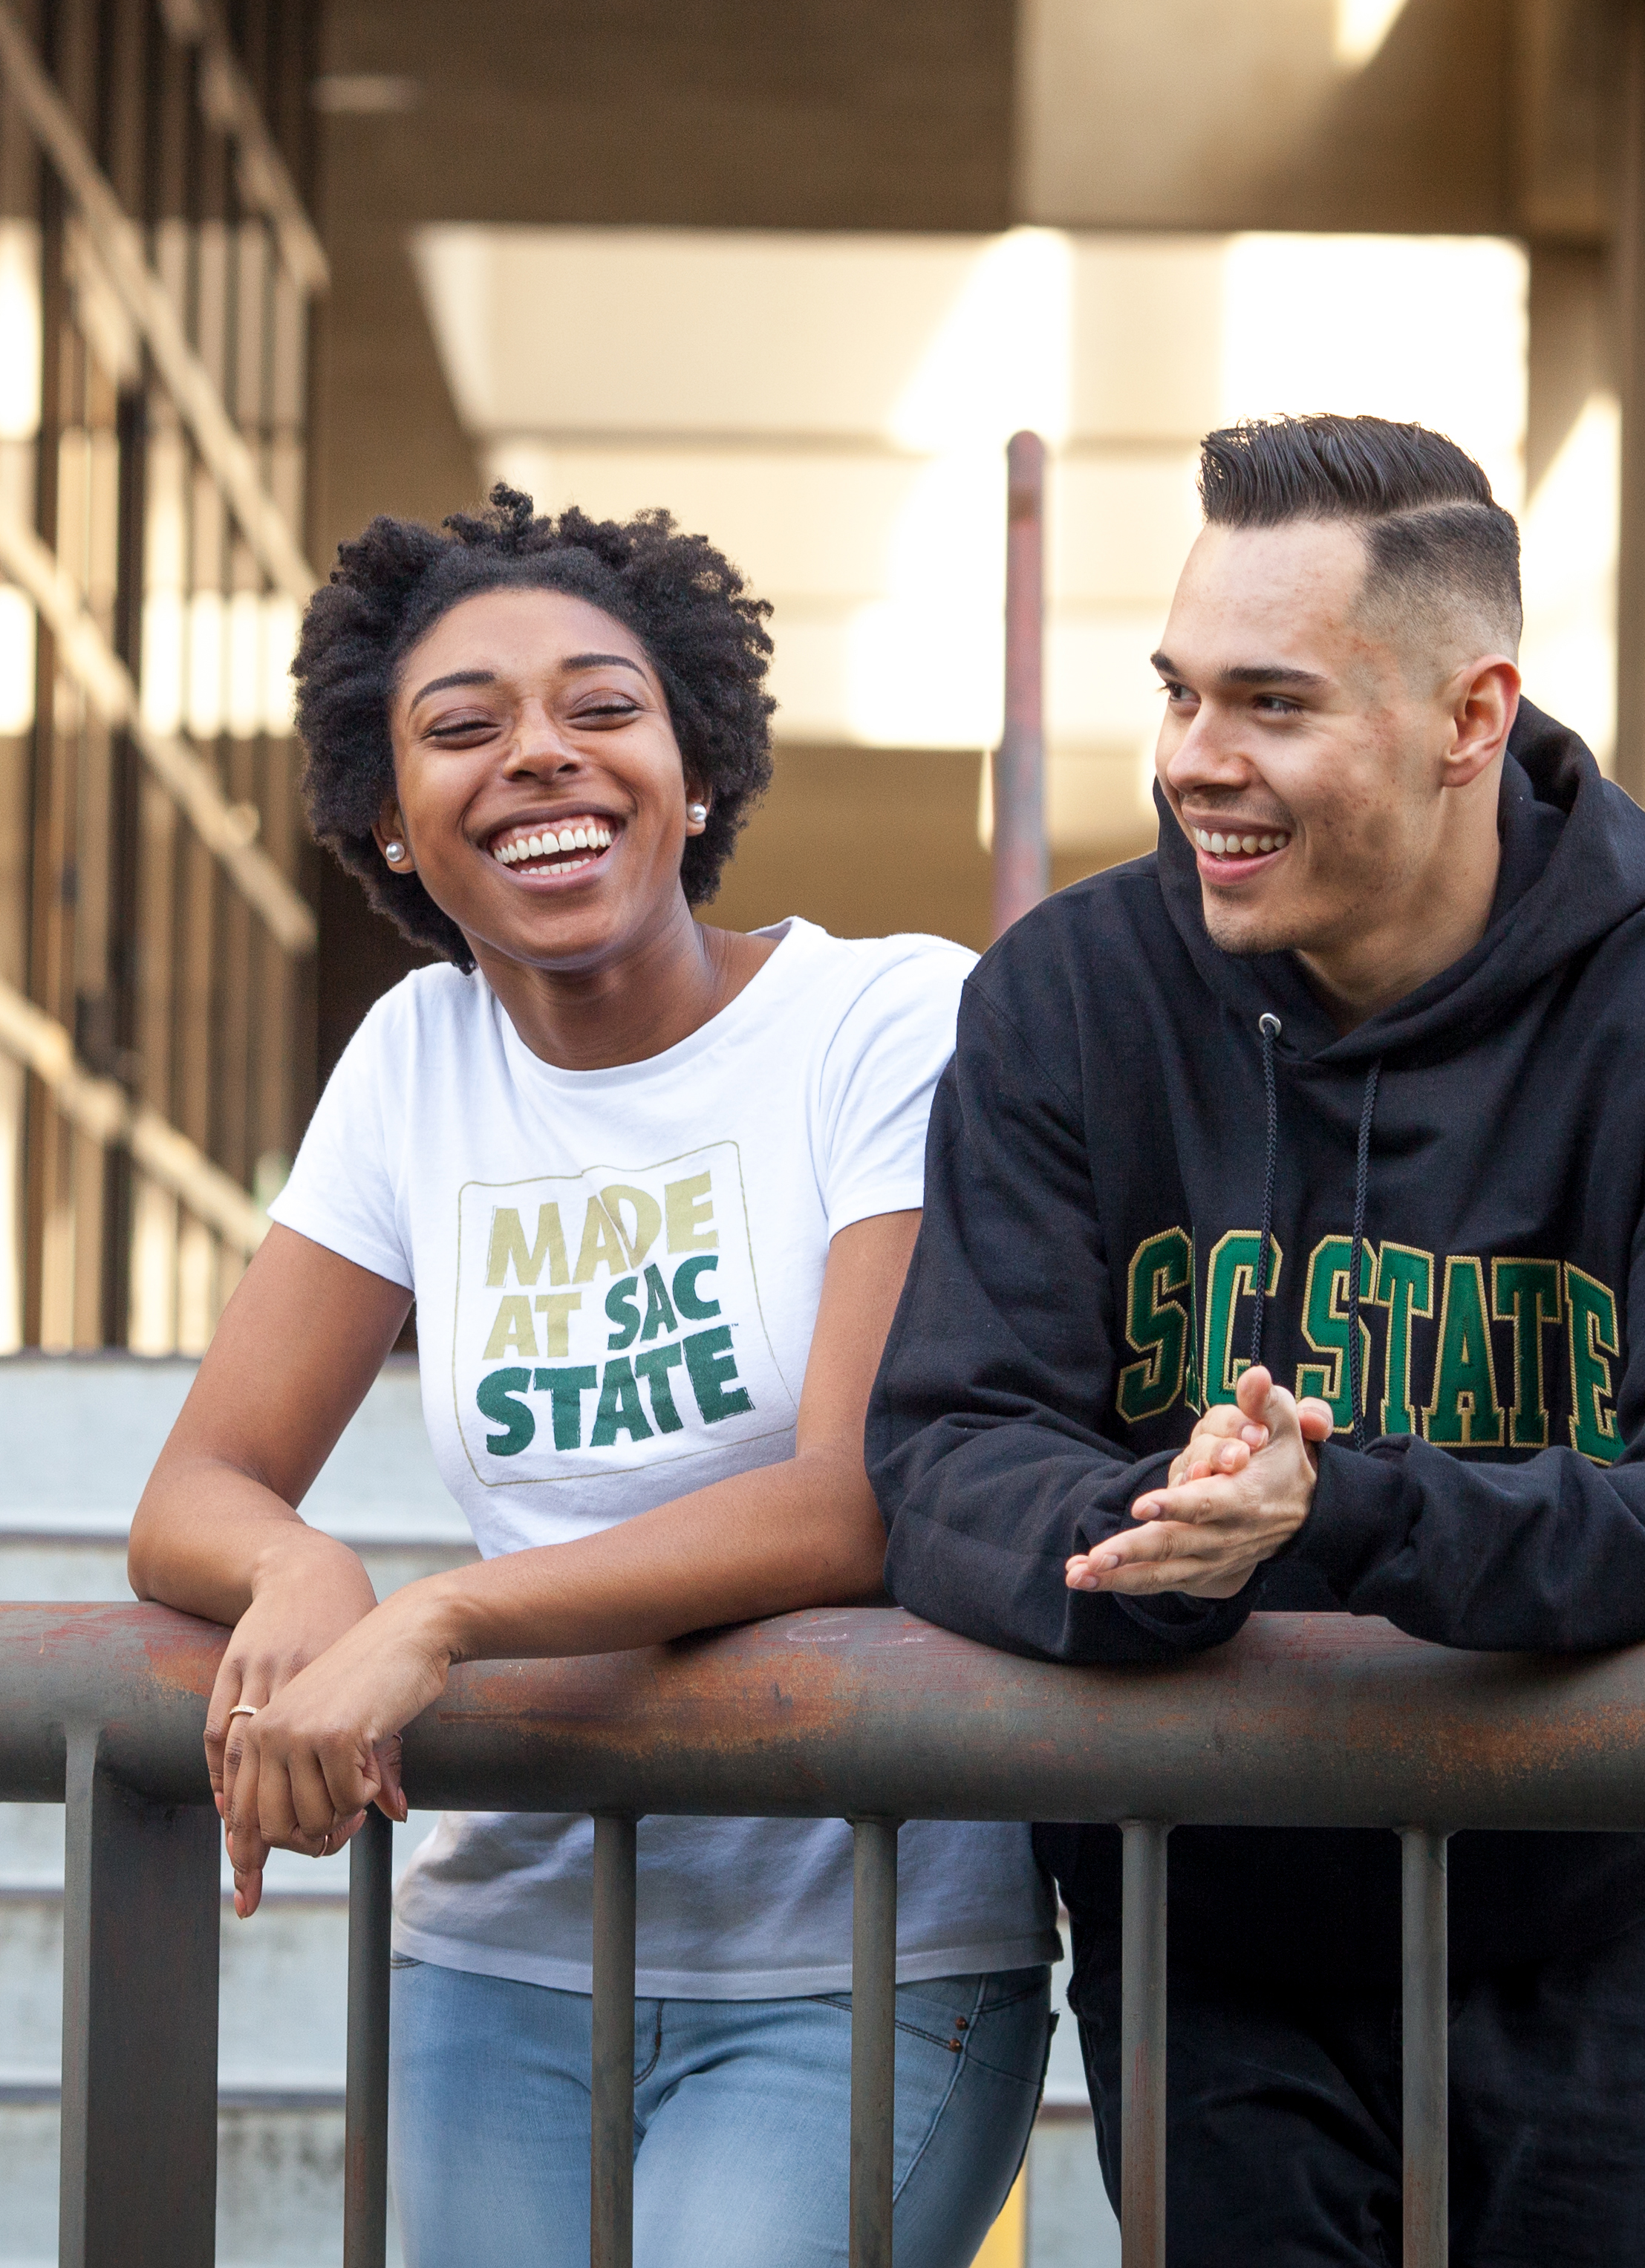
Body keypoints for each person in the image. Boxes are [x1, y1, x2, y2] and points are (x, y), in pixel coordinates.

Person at [866, 415, 1645, 2267]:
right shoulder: (1070, 998)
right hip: (1202, 1930)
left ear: (1471, 717)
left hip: (1586, 1933)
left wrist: (1340, 1516)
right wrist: (1165, 1538)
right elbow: (945, 1446)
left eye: (1270, 704)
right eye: (1176, 694)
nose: (1192, 765)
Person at [129, 489, 1052, 2268]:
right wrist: (304, 1570)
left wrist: (446, 1619)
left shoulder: (886, 1023)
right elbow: (198, 1487)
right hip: (504, 1947)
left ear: (694, 766)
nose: (541, 758)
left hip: (855, 1945)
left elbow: (854, 1494)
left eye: (603, 709)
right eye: (463, 731)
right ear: (392, 826)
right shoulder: (417, 1060)